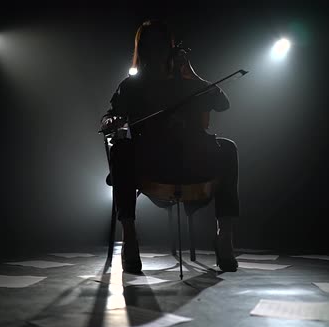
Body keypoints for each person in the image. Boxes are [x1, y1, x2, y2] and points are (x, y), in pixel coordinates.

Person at [100, 19, 239, 273]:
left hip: (192, 166)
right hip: (152, 166)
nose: (155, 52)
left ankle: (224, 236)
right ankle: (129, 235)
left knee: (228, 148)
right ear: (141, 50)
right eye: (148, 46)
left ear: (170, 48)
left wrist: (192, 74)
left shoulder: (187, 82)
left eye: (161, 46)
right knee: (121, 150)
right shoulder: (132, 85)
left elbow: (223, 103)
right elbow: (109, 115)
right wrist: (111, 120)